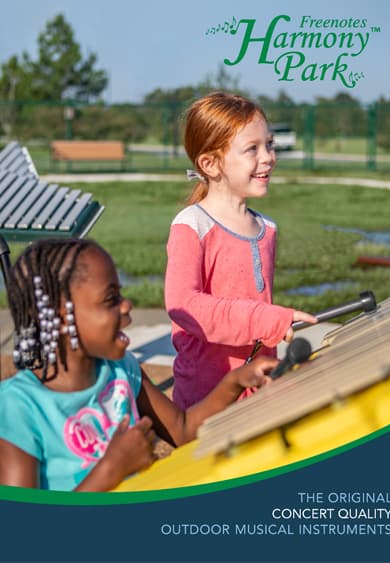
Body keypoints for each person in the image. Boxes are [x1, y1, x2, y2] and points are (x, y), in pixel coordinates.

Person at [0, 237, 278, 492]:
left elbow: (181, 429)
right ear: (61, 317)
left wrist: (235, 381)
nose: (126, 305)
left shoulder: (122, 369)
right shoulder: (19, 406)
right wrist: (112, 468)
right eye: (111, 299)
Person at [165, 91, 316, 409]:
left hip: (259, 389)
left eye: (270, 145)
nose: (268, 157)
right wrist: (266, 319)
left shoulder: (267, 229)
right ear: (210, 163)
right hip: (206, 398)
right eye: (252, 149)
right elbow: (184, 306)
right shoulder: (192, 225)